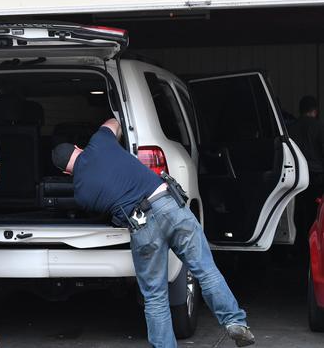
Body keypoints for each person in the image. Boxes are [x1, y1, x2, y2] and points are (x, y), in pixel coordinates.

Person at [51, 118, 255, 347]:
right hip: (168, 205)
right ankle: (234, 321)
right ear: (78, 148)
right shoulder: (100, 142)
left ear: (66, 173)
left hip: (142, 226)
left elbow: (107, 212)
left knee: (155, 296)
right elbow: (114, 122)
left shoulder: (81, 193)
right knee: (205, 269)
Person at [288, 95, 324, 257]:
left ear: (300, 110)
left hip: (296, 178)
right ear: (315, 111)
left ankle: (298, 250)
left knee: (297, 214)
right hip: (316, 178)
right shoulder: (319, 127)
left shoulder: (291, 128)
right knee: (315, 216)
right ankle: (313, 250)